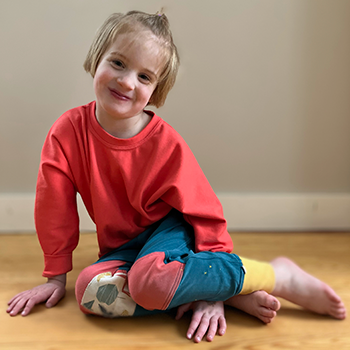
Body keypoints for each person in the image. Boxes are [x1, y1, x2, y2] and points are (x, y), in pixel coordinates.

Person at [7, 10, 346, 343]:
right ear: (97, 59)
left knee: (148, 281)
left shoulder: (164, 143)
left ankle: (275, 276)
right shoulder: (67, 132)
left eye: (144, 77)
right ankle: (207, 292)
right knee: (89, 292)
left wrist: (217, 258)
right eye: (118, 63)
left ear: (155, 91)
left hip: (171, 231)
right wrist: (55, 277)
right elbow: (54, 206)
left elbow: (203, 207)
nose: (126, 81)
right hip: (125, 247)